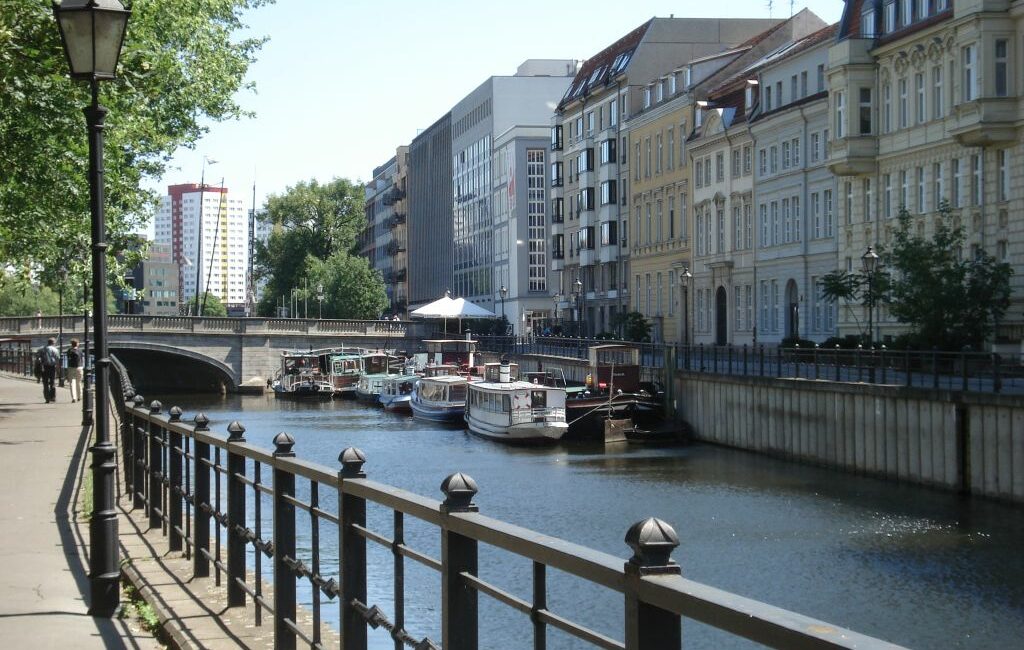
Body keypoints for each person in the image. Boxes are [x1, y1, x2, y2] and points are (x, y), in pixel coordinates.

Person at [37, 337, 60, 403]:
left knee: (45, 383)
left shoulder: (42, 349)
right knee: (52, 383)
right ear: (53, 343)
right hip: (52, 367)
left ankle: (47, 398)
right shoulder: (55, 350)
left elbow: (38, 358)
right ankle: (52, 397)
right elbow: (57, 360)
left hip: (44, 367)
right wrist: (58, 370)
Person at [66, 338, 83, 403]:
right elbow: (81, 358)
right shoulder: (80, 350)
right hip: (79, 367)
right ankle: (79, 396)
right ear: (77, 344)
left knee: (72, 383)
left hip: (71, 368)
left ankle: (74, 397)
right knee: (79, 382)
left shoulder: (69, 350)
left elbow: (68, 358)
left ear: (71, 344)